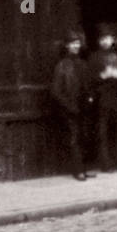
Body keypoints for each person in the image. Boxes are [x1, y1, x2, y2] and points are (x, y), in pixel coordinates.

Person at [87, 23, 117, 171]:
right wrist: (103, 76)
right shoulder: (94, 57)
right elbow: (88, 79)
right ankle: (106, 165)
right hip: (102, 97)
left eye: (108, 38)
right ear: (99, 41)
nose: (106, 41)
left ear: (113, 39)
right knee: (103, 131)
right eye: (103, 39)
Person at [52, 29, 91, 180]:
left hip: (83, 108)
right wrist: (68, 106)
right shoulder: (62, 65)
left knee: (84, 137)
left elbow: (88, 85)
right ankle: (78, 171)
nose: (75, 46)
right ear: (67, 46)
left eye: (77, 43)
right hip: (70, 110)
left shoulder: (82, 63)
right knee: (74, 139)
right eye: (72, 44)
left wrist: (90, 98)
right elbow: (56, 91)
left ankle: (83, 168)